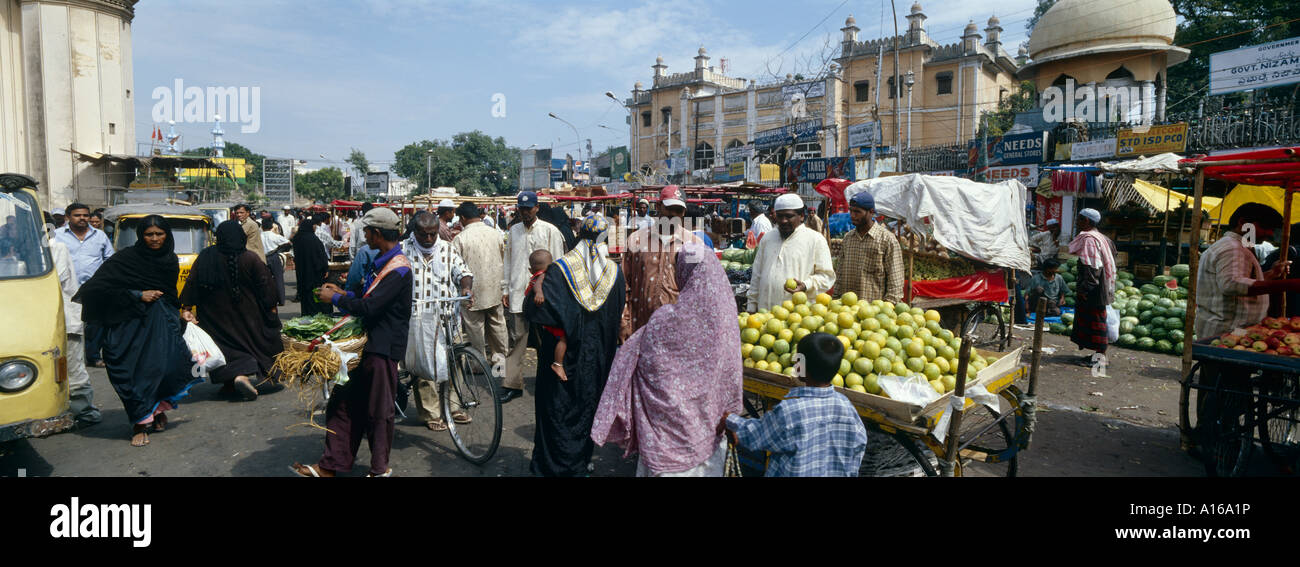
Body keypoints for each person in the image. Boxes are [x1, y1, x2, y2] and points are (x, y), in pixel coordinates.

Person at [593, 241, 741, 476]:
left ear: (683, 272)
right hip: (708, 431)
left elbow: (648, 364)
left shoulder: (665, 320)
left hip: (667, 437)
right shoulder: (728, 318)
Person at [293, 207, 413, 478]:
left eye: (368, 232)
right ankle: (331, 465)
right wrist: (344, 291)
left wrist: (335, 299)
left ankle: (379, 469)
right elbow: (365, 292)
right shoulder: (382, 259)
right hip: (362, 346)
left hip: (382, 348)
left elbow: (370, 307)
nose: (365, 236)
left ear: (378, 233)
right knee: (342, 403)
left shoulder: (400, 269)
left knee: (378, 411)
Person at [72, 215, 202, 447]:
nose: (154, 239)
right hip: (125, 325)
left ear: (167, 235)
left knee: (162, 369)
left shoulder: (169, 259)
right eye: (149, 234)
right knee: (128, 372)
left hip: (160, 324)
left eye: (159, 234)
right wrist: (136, 294)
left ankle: (152, 414)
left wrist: (183, 313)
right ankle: (140, 421)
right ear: (141, 236)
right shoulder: (125, 258)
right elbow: (95, 288)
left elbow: (170, 293)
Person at [523, 215, 625, 476]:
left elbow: (537, 311)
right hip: (596, 359)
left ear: (580, 237)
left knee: (556, 411)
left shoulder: (559, 270)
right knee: (586, 408)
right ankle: (580, 463)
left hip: (562, 358)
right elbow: (616, 315)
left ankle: (553, 468)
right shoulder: (615, 274)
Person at [721, 332, 868, 477]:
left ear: (802, 367)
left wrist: (730, 420)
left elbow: (756, 435)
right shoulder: (846, 406)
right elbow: (859, 445)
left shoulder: (790, 410)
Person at [181, 221, 284, 400]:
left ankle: (230, 382)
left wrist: (187, 308)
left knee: (222, 349)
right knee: (251, 344)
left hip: (213, 318)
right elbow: (267, 288)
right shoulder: (250, 258)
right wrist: (271, 309)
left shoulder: (205, 256)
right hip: (248, 316)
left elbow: (192, 283)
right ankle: (242, 376)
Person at [400, 211, 473, 432]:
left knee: (455, 361)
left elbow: (464, 273)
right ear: (414, 232)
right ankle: (431, 412)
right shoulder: (403, 250)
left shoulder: (448, 249)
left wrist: (466, 288)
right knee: (425, 366)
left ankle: (454, 405)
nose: (429, 239)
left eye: (432, 234)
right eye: (424, 235)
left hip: (448, 317)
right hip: (418, 319)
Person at [500, 191, 567, 404]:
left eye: (529, 208)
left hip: (544, 296)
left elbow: (558, 264)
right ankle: (512, 384)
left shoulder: (550, 231)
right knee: (517, 339)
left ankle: (547, 381)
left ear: (537, 208)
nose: (525, 212)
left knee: (545, 341)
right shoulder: (513, 231)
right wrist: (505, 289)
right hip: (519, 292)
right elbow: (508, 261)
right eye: (522, 208)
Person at [620, 185, 701, 340]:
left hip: (678, 331)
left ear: (684, 212)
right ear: (658, 207)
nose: (674, 215)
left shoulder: (693, 243)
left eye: (679, 210)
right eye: (670, 209)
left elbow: (698, 289)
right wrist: (624, 322)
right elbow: (624, 284)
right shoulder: (636, 240)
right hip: (641, 328)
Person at [746, 194, 836, 313]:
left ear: (802, 216)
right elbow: (756, 276)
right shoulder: (767, 238)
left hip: (798, 319)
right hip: (765, 316)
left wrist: (805, 285)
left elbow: (827, 277)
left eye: (789, 216)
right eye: (780, 216)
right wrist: (751, 307)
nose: (783, 221)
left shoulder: (815, 240)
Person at [49, 229, 101, 427]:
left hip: (65, 317)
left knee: (73, 368)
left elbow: (56, 278)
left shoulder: (55, 248)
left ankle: (84, 412)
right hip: (42, 320)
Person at [54, 202, 114, 368]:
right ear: (68, 217)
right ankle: (68, 359)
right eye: (77, 215)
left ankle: (93, 356)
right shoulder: (56, 235)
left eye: (85, 215)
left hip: (94, 287)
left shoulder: (100, 236)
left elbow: (109, 259)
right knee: (68, 324)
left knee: (95, 324)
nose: (82, 218)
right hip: (66, 289)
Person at [451, 202, 508, 368]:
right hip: (494, 288)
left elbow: (455, 267)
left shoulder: (460, 238)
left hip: (471, 292)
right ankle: (500, 365)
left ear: (462, 218)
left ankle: (478, 366)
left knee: (475, 330)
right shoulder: (495, 233)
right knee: (498, 326)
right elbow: (502, 256)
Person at [1068, 208, 1117, 366]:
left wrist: (1084, 290)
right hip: (1102, 286)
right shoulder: (1103, 238)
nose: (1077, 222)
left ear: (1087, 221)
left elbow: (1092, 268)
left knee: (1096, 323)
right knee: (1093, 321)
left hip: (1094, 290)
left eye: (1080, 219)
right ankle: (1097, 356)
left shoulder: (1090, 239)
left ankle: (1100, 359)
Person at [835, 191, 904, 303]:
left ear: (871, 212)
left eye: (857, 212)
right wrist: (836, 299)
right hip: (846, 312)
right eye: (851, 211)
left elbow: (895, 280)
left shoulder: (887, 239)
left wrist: (888, 306)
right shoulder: (848, 238)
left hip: (873, 313)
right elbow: (840, 274)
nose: (852, 215)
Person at [527, 249, 566, 381]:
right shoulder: (545, 274)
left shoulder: (535, 275)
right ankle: (558, 364)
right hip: (549, 320)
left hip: (541, 319)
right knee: (563, 339)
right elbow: (538, 285)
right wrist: (539, 293)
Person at [291, 214, 333, 316]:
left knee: (305, 293)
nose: (315, 228)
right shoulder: (314, 240)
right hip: (315, 272)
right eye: (314, 226)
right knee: (316, 292)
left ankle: (306, 313)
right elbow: (321, 256)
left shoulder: (297, 238)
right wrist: (325, 269)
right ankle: (318, 313)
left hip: (302, 271)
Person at [260, 217, 292, 306]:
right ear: (271, 227)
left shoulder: (259, 236)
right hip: (274, 256)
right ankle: (281, 300)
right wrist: (280, 248)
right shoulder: (275, 236)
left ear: (262, 227)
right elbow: (288, 242)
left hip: (263, 257)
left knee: (265, 279)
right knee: (278, 279)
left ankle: (267, 299)